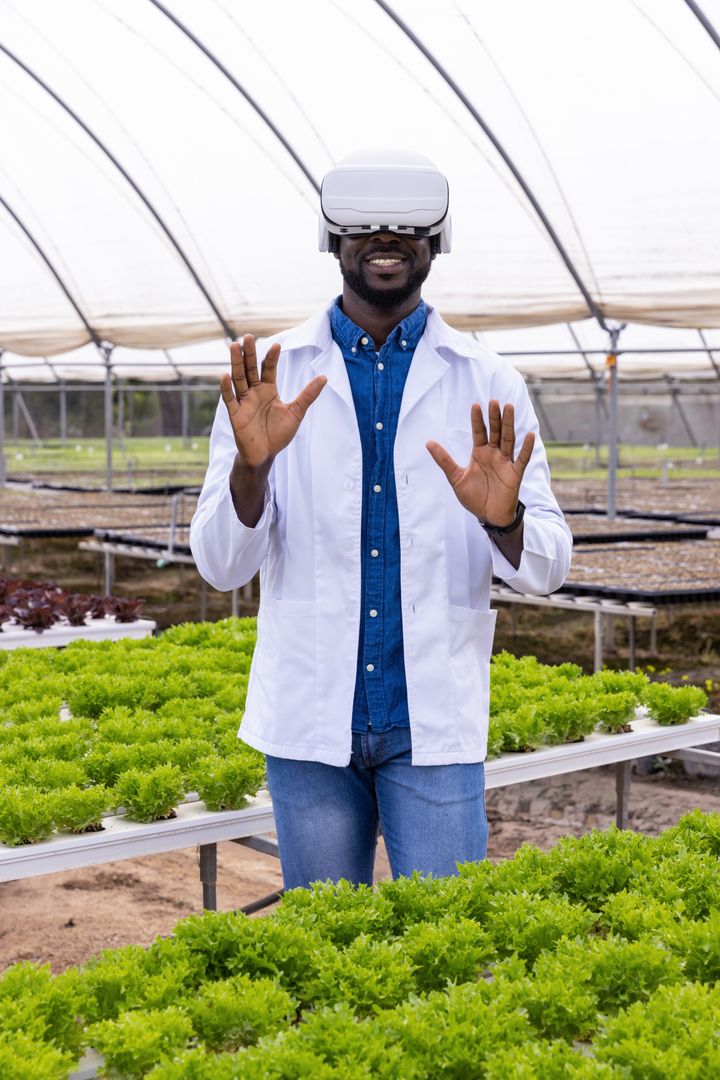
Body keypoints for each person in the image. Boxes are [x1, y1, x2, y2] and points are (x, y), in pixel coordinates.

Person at [190, 148, 572, 890]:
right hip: (309, 724)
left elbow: (550, 567)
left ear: (438, 242)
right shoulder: (272, 377)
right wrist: (252, 467)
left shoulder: (488, 381)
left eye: (407, 229)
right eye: (363, 228)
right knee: (327, 951)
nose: (385, 241)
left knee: (445, 947)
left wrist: (506, 520)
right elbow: (220, 565)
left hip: (433, 720)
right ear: (333, 241)